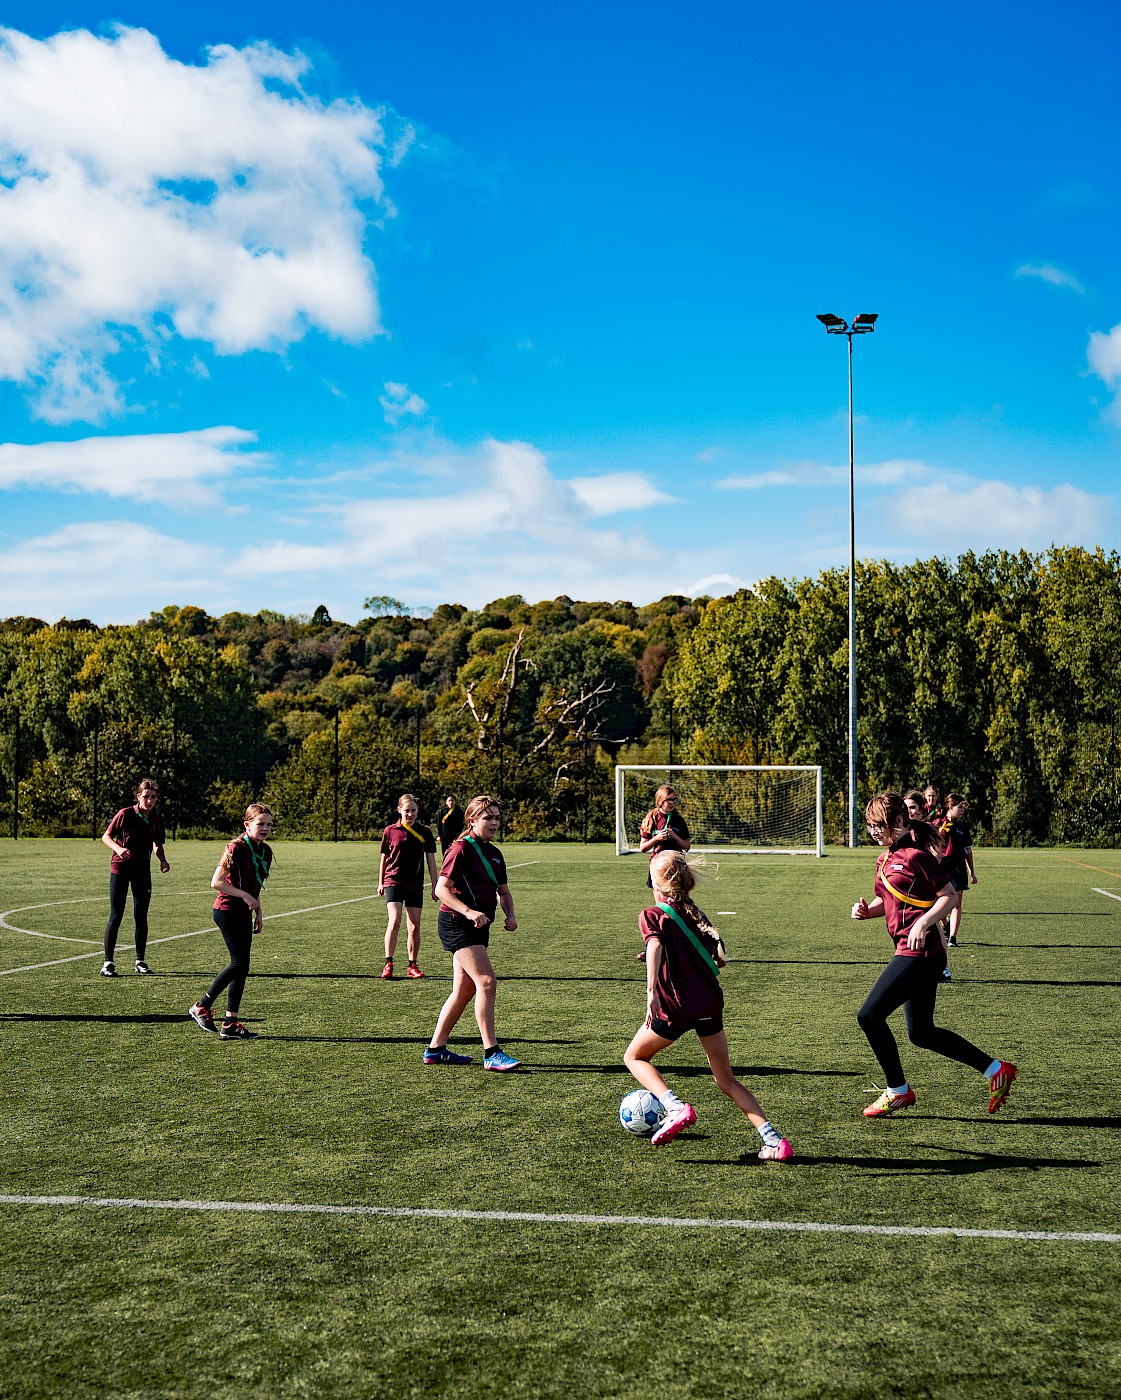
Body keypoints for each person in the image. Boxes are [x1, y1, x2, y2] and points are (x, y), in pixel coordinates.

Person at [851, 791, 1016, 1118]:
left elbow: (949, 896)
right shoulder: (884, 860)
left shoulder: (916, 856)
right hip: (910, 950)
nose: (873, 832)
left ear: (897, 821)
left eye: (877, 825)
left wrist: (924, 922)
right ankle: (996, 1070)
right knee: (921, 1032)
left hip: (922, 952)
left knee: (868, 1015)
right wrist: (865, 911)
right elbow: (887, 901)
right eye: (869, 827)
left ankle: (897, 1090)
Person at [623, 850, 793, 1159]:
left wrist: (651, 992)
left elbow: (657, 944)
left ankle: (674, 1108)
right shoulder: (695, 914)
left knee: (634, 1057)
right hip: (710, 1002)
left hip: (676, 1005)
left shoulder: (652, 914)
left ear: (659, 885)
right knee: (726, 1079)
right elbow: (719, 959)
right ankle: (774, 1141)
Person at [423, 794, 521, 1071]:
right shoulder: (460, 849)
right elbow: (441, 889)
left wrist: (510, 914)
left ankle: (435, 1049)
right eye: (487, 817)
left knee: (464, 989)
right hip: (457, 922)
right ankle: (492, 1052)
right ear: (472, 819)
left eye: (497, 818)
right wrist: (468, 911)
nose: (494, 823)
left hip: (480, 925)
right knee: (487, 982)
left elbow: (503, 891)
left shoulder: (495, 853)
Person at [188, 803, 274, 1040]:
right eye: (260, 824)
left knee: (242, 966)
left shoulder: (265, 851)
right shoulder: (235, 848)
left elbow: (255, 886)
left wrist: (259, 912)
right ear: (247, 825)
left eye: (268, 824)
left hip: (244, 912)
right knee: (238, 963)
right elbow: (216, 882)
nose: (265, 828)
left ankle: (230, 1023)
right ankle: (201, 1006)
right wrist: (244, 896)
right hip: (226, 911)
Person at [99, 777, 170, 977]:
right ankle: (108, 963)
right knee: (116, 914)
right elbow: (106, 836)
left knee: (141, 916)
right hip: (120, 869)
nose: (150, 800)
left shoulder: (156, 817)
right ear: (138, 796)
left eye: (153, 797)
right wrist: (119, 849)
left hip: (142, 871)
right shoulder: (125, 814)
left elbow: (157, 843)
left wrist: (162, 860)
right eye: (146, 796)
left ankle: (140, 960)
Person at [378, 793, 439, 980]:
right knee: (394, 920)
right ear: (399, 810)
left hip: (414, 884)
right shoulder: (390, 831)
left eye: (413, 810)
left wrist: (435, 884)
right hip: (393, 881)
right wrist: (380, 882)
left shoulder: (425, 832)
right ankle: (388, 963)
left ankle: (412, 965)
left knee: (414, 925)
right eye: (407, 811)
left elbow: (430, 860)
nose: (410, 814)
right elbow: (384, 858)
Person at [636, 786, 692, 960]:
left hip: (676, 867)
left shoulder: (678, 820)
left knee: (680, 906)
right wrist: (656, 838)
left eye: (675, 800)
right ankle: (654, 947)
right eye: (670, 800)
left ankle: (683, 946)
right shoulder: (651, 818)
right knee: (662, 908)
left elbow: (687, 846)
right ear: (661, 800)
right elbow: (643, 847)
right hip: (657, 868)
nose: (673, 803)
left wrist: (674, 837)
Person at [939, 793, 977, 948]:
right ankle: (945, 923)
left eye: (963, 807)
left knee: (956, 903)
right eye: (959, 807)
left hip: (958, 868)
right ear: (950, 806)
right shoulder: (938, 823)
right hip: (941, 867)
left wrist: (972, 871)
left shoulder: (962, 828)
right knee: (937, 901)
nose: (962, 810)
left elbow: (968, 851)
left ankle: (953, 937)